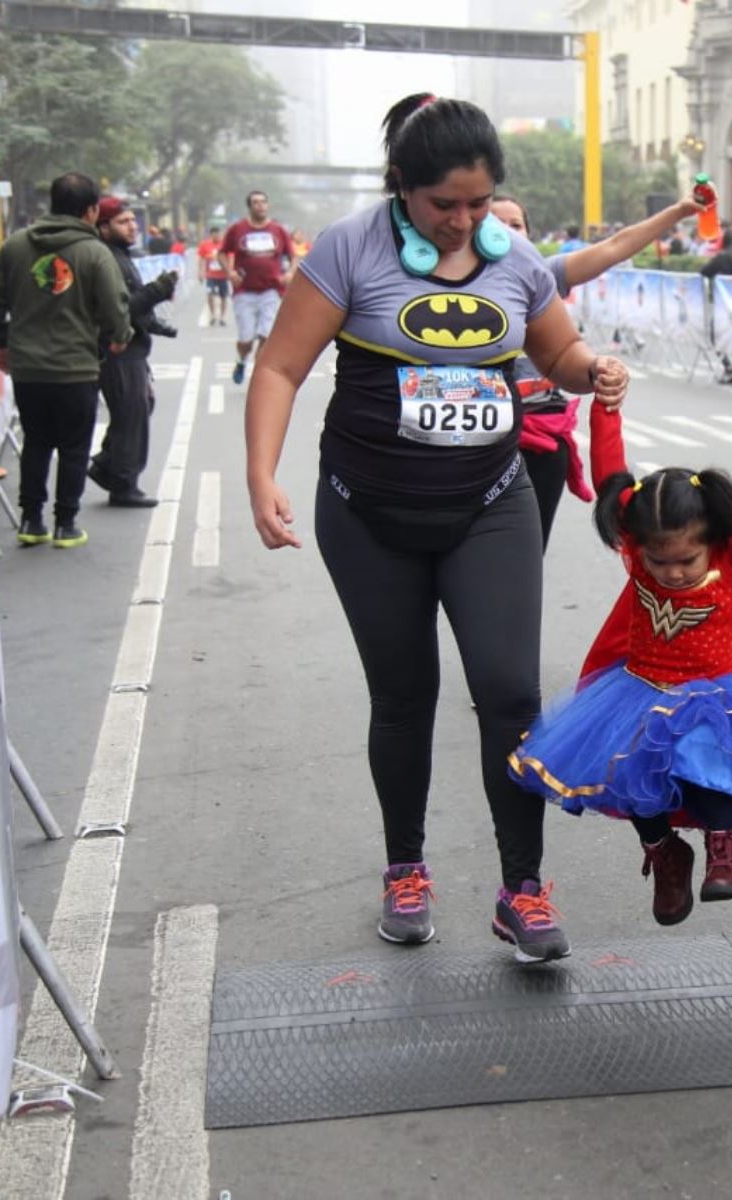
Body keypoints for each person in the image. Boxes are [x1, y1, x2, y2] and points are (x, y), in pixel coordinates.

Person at [244, 94, 629, 965]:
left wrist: (589, 370)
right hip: (367, 510)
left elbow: (556, 354)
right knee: (405, 694)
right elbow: (280, 366)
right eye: (442, 205)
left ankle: (522, 888)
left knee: (510, 694)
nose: (461, 222)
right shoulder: (349, 250)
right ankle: (405, 867)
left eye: (477, 203)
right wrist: (261, 476)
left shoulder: (515, 259)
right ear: (403, 191)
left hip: (489, 502)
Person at [509, 389, 732, 924]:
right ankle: (665, 853)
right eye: (659, 561)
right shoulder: (640, 548)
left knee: (710, 772)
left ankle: (726, 849)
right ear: (639, 546)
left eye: (686, 560)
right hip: (639, 691)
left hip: (714, 697)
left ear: (712, 541)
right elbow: (613, 476)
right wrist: (606, 409)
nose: (672, 572)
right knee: (637, 785)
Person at [490, 192, 708, 547]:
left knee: (525, 551)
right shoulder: (450, 279)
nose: (507, 231)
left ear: (529, 236)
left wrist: (678, 212)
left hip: (544, 438)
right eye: (496, 223)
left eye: (516, 224)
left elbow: (614, 248)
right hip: (485, 441)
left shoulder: (541, 274)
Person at [0, 172, 132, 550]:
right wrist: (119, 337)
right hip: (76, 367)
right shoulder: (94, 252)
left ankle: (31, 520)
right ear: (92, 210)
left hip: (28, 369)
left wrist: (0, 341)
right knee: (74, 447)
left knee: (36, 443)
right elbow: (115, 306)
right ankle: (66, 523)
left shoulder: (15, 246)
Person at [88, 195, 178, 508]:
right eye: (122, 222)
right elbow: (120, 309)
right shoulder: (106, 258)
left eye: (132, 221)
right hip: (117, 348)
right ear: (103, 226)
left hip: (132, 347)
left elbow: (132, 306)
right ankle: (122, 482)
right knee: (130, 414)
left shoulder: (120, 255)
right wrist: (158, 291)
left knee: (142, 406)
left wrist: (159, 325)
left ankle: (107, 466)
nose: (132, 227)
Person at [220, 190, 294, 385]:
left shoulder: (278, 230)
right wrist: (230, 273)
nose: (260, 205)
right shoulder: (238, 229)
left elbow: (292, 255)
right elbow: (221, 253)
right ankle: (241, 360)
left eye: (263, 202)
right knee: (246, 338)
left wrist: (289, 273)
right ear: (250, 206)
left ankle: (258, 376)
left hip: (271, 291)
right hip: (244, 292)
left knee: (266, 335)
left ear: (267, 205)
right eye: (255, 202)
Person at [700, 229, 732, 385]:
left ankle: (728, 366)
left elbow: (704, 272)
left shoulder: (722, 258)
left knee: (715, 334)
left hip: (722, 304)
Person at [197, 223, 230, 325]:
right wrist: (200, 272)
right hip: (211, 275)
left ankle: (222, 317)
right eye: (214, 235)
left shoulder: (225, 244)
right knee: (210, 294)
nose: (216, 237)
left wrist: (230, 271)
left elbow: (231, 257)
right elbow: (201, 259)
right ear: (211, 235)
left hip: (223, 275)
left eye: (218, 235)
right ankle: (212, 315)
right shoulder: (205, 245)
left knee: (223, 296)